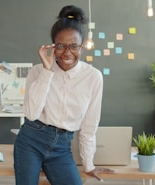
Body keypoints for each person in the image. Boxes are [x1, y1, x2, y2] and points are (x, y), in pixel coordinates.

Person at [14, 5, 115, 185]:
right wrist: (47, 71)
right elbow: (31, 114)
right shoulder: (37, 72)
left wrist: (88, 163)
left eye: (74, 46)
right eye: (61, 46)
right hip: (30, 141)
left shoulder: (93, 77)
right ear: (53, 47)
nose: (67, 52)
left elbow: (89, 125)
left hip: (62, 147)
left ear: (82, 47)